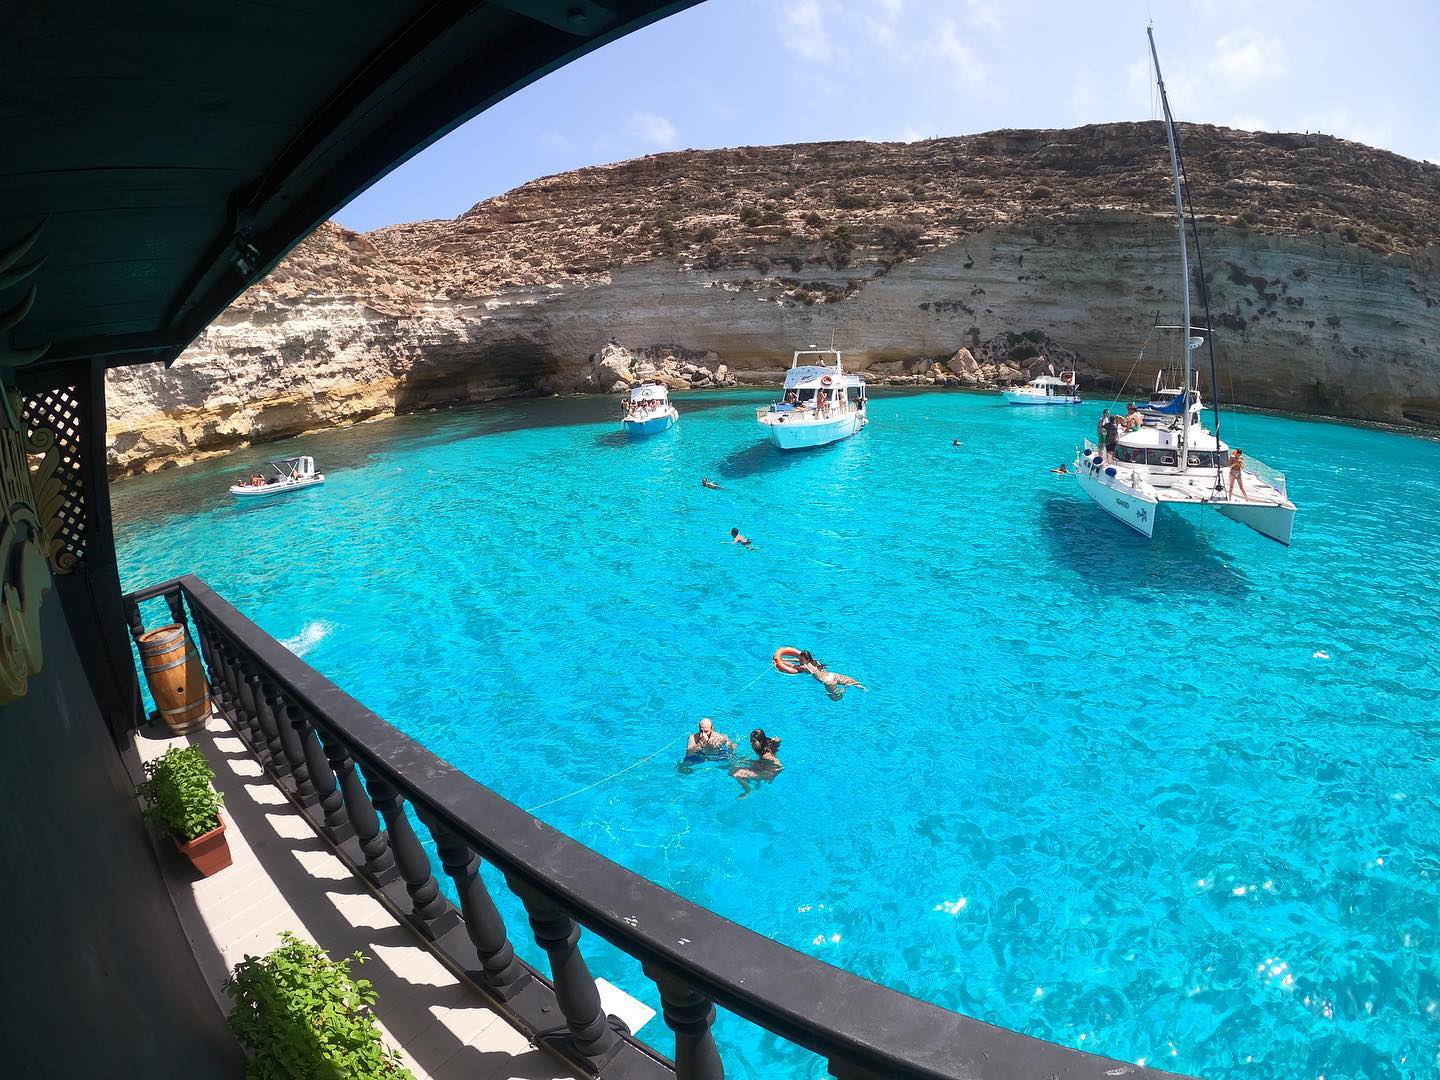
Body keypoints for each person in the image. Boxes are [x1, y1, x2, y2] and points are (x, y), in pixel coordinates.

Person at [795, 650, 866, 701]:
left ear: (807, 659)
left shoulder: (805, 667)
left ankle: (842, 691)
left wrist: (787, 661)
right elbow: (800, 660)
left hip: (828, 681)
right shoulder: (815, 661)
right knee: (852, 681)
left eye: (801, 660)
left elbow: (792, 666)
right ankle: (863, 688)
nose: (799, 661)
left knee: (835, 698)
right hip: (832, 675)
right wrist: (792, 659)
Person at [730, 729, 783, 798]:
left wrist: (772, 777)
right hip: (762, 765)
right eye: (751, 741)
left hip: (767, 773)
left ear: (761, 741)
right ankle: (754, 781)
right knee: (738, 766)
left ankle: (748, 791)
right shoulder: (766, 743)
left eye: (754, 741)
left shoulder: (766, 756)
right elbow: (777, 740)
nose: (751, 743)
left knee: (735, 774)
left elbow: (780, 766)